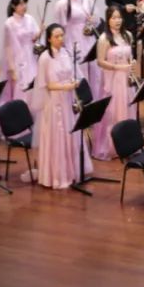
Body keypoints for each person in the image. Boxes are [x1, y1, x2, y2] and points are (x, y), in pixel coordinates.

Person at [33, 23, 92, 189]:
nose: (60, 39)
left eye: (62, 35)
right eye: (57, 36)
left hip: (68, 99)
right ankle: (58, 175)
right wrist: (66, 86)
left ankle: (72, 170)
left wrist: (74, 82)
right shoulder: (45, 58)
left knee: (71, 133)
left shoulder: (66, 53)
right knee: (58, 136)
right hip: (55, 103)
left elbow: (72, 73)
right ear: (49, 39)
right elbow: (47, 84)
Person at [93, 5, 134, 160]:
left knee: (126, 109)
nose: (117, 21)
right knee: (112, 111)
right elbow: (100, 61)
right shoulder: (104, 39)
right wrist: (118, 67)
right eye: (114, 18)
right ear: (108, 20)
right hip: (112, 79)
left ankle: (127, 144)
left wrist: (131, 65)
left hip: (125, 78)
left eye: (119, 17)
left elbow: (129, 56)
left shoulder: (128, 35)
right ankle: (111, 146)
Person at [54, 0, 102, 94]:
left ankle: (96, 98)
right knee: (80, 71)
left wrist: (93, 19)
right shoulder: (62, 4)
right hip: (73, 40)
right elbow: (60, 26)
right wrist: (63, 46)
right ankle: (83, 99)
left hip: (89, 39)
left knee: (95, 71)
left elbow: (97, 20)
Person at [0, 0, 40, 108]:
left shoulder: (30, 18)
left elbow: (33, 38)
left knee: (34, 83)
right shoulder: (9, 23)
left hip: (32, 56)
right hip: (19, 58)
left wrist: (40, 32)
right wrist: (12, 69)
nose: (24, 6)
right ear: (14, 6)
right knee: (22, 87)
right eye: (21, 4)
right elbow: (8, 47)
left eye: (25, 3)